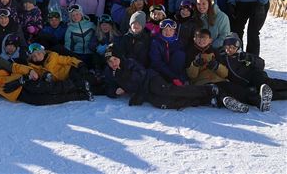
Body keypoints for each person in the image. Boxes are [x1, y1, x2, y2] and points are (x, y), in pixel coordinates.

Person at [103, 46, 249, 112]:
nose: (113, 63)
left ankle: (208, 89)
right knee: (163, 103)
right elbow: (107, 87)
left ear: (119, 58)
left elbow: (140, 75)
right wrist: (114, 91)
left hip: (151, 79)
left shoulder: (129, 63)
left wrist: (124, 80)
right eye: (110, 62)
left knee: (169, 91)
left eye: (115, 59)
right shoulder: (110, 73)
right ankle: (208, 99)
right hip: (144, 93)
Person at [186, 28, 270, 112]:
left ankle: (259, 102)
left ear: (210, 40)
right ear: (194, 39)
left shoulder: (215, 52)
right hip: (202, 82)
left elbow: (225, 73)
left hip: (218, 79)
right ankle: (231, 103)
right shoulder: (190, 52)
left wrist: (217, 66)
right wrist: (195, 65)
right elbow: (191, 76)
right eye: (198, 38)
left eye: (204, 38)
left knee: (235, 89)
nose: (201, 40)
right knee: (215, 92)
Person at [0, 45, 89, 105]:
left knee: (46, 89)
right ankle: (79, 95)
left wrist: (29, 72)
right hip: (14, 95)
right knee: (42, 100)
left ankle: (76, 85)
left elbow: (15, 67)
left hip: (21, 81)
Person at [219, 32, 286, 102]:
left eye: (232, 47)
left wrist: (250, 58)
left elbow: (261, 64)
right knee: (258, 94)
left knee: (266, 84)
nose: (229, 50)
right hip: (245, 84)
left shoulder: (243, 55)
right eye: (227, 47)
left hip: (255, 76)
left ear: (237, 48)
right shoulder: (223, 58)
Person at [149, 19, 188, 86]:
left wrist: (182, 78)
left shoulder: (178, 41)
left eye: (170, 30)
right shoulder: (156, 42)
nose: (168, 32)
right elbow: (156, 62)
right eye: (165, 30)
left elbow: (182, 63)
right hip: (160, 71)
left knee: (180, 55)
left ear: (174, 31)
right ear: (161, 31)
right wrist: (173, 77)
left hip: (174, 71)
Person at [64, 4, 97, 68]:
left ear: (81, 14)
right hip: (78, 54)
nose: (75, 17)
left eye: (77, 14)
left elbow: (98, 35)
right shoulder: (70, 29)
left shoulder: (90, 25)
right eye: (73, 16)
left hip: (91, 53)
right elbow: (68, 45)